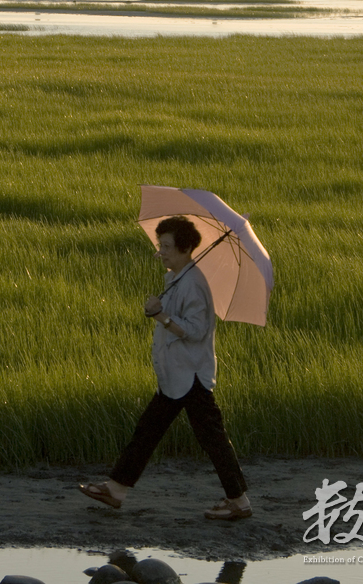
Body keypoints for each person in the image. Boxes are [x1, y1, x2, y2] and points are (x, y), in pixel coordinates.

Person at [79, 215, 251, 520]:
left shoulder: (195, 284)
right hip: (175, 376)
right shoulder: (177, 278)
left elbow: (196, 330)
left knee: (212, 439)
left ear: (186, 248)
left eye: (167, 246)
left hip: (191, 376)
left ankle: (238, 501)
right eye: (160, 245)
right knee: (148, 431)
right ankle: (116, 489)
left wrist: (161, 317)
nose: (160, 252)